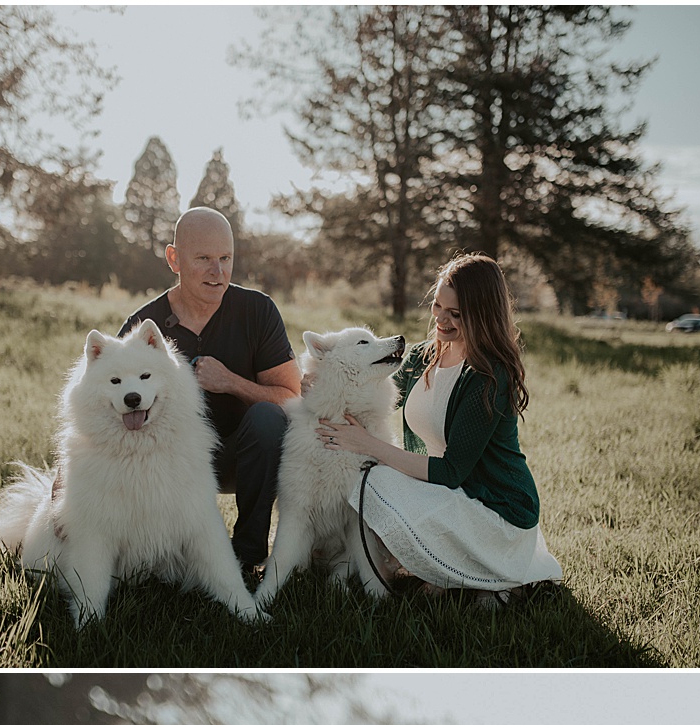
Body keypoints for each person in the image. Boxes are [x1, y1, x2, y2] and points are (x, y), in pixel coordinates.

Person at [315, 252, 563, 608]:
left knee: (373, 478)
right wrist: (322, 381)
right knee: (373, 476)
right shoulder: (424, 357)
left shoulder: (488, 377)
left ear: (481, 315)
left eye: (456, 314)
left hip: (495, 511)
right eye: (437, 306)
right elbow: (371, 386)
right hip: (450, 496)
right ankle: (446, 574)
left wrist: (367, 444)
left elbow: (450, 471)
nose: (441, 320)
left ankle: (488, 576)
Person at [119, 207, 300, 580]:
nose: (217, 272)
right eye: (203, 259)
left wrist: (231, 382)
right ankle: (162, 555)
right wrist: (64, 483)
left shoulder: (258, 310)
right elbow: (105, 399)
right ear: (174, 259)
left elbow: (291, 398)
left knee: (269, 419)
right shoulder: (144, 326)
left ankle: (247, 557)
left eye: (225, 259)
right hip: (168, 461)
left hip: (242, 457)